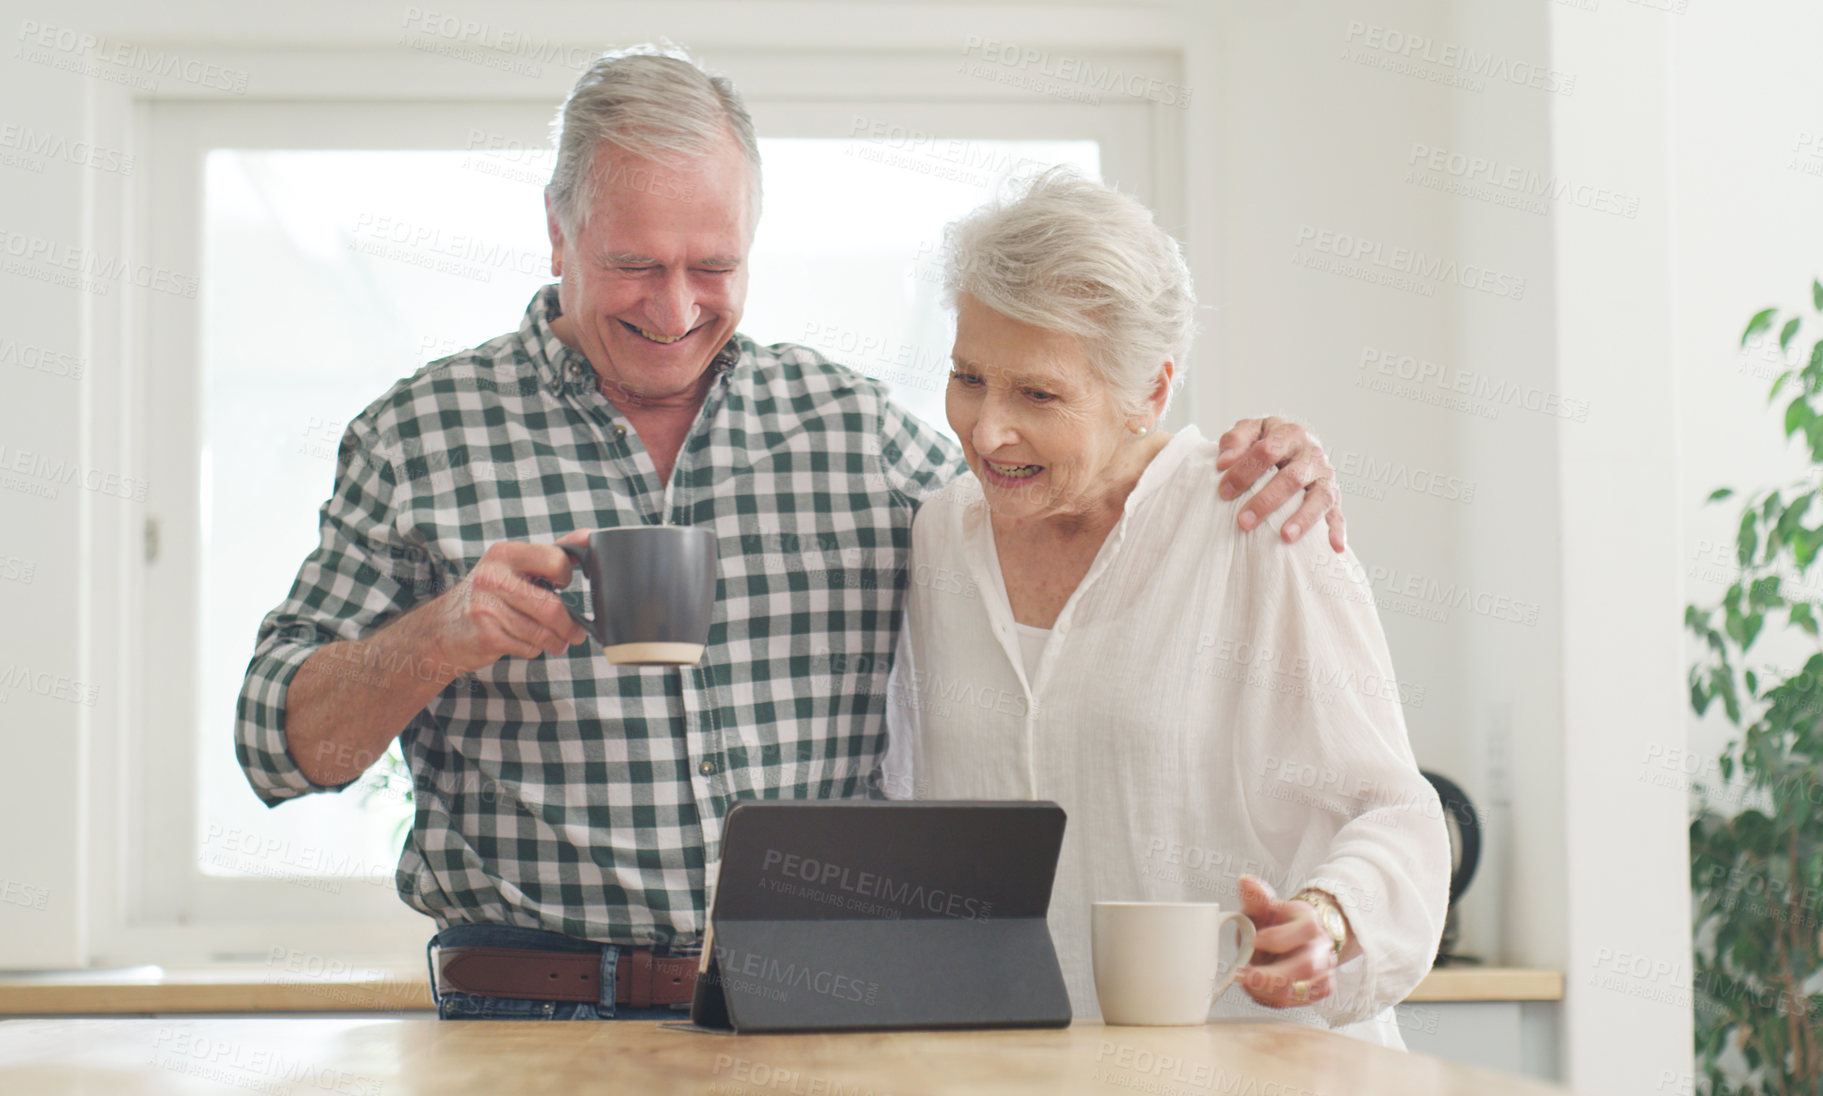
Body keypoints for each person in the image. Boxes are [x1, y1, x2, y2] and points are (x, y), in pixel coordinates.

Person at [233, 45, 1348, 1021]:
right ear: (556, 231)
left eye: (711, 266)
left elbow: (1051, 491)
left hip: (813, 1014)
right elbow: (280, 750)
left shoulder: (850, 431)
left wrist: (1227, 465)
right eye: (633, 264)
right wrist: (438, 636)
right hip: (529, 1013)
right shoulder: (419, 436)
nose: (674, 309)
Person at [883, 169, 1449, 1047]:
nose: (986, 430)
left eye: (1037, 394)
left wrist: (1329, 920)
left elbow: (1394, 809)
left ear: (1149, 391)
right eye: (967, 378)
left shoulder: (1260, 521)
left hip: (1257, 1062)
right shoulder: (937, 536)